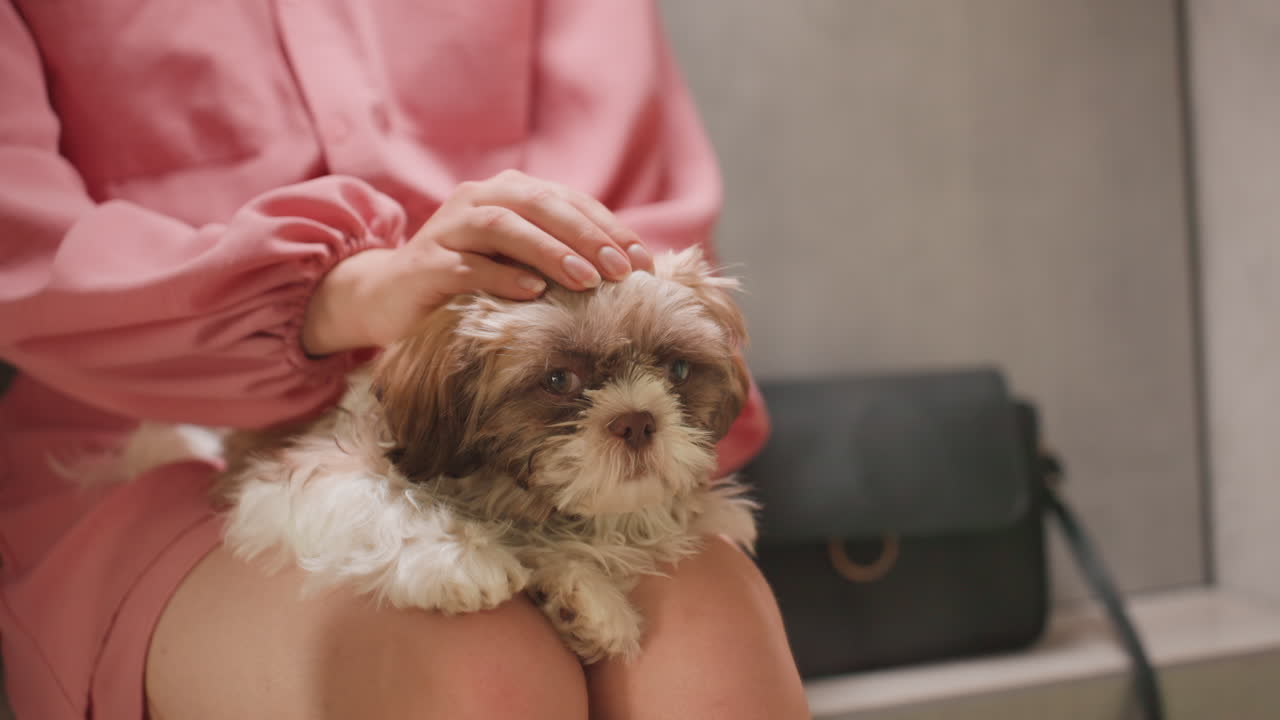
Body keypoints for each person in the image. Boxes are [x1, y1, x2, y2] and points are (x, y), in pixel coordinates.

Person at [0, 2, 810, 718]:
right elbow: (20, 244)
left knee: (713, 630)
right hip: (146, 431)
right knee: (470, 663)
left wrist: (554, 320)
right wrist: (336, 296)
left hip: (527, 429)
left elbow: (639, 228)